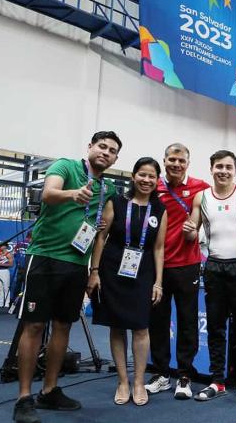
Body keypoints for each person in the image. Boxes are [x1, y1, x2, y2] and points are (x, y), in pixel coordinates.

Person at [13, 131, 121, 423]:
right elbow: (48, 193)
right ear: (90, 147)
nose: (106, 152)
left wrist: (94, 271)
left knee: (63, 327)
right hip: (45, 258)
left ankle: (49, 390)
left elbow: (102, 234)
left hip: (77, 265)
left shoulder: (107, 189)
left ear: (115, 159)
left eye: (112, 151)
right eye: (101, 146)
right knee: (34, 327)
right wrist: (72, 194)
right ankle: (24, 397)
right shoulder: (65, 166)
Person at [88, 157, 167, 406]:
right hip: (113, 269)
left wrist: (158, 283)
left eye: (152, 176)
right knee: (117, 326)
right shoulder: (117, 202)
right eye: (142, 174)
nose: (146, 180)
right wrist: (95, 270)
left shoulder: (160, 209)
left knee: (141, 327)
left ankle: (138, 381)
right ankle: (123, 380)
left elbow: (159, 248)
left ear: (157, 180)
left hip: (143, 272)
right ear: (134, 176)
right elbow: (101, 238)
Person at [185, 150, 236, 402]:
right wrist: (187, 230)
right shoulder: (201, 197)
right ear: (211, 168)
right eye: (219, 166)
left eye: (229, 167)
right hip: (215, 267)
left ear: (235, 170)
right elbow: (191, 234)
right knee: (216, 327)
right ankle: (217, 380)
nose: (223, 171)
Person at [146, 143, 210, 400]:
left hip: (187, 265)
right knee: (158, 321)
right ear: (164, 160)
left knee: (187, 321)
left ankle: (184, 374)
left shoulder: (200, 187)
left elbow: (222, 199)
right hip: (157, 266)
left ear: (187, 163)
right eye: (171, 159)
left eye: (180, 160)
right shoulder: (154, 187)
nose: (175, 164)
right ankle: (161, 373)